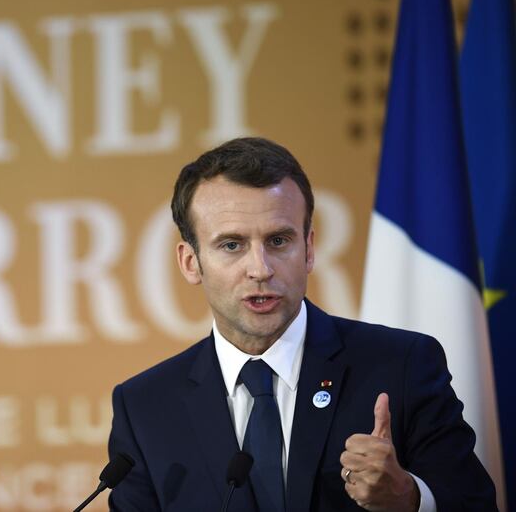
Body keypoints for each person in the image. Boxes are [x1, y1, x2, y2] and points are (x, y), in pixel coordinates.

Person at [107, 137, 496, 511]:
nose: (260, 269)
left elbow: (476, 504)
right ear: (190, 262)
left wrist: (409, 498)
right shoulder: (145, 407)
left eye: (278, 241)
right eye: (231, 245)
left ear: (309, 249)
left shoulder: (402, 365)